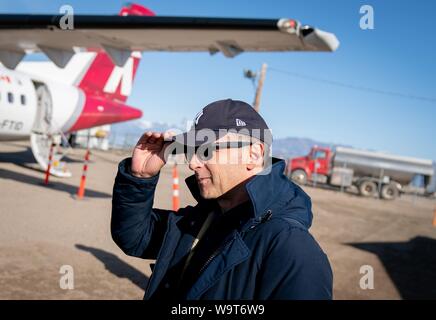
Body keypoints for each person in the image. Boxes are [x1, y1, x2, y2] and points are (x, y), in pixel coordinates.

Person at [111, 99, 333, 300]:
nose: (193, 163)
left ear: (254, 154)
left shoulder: (291, 248)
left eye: (206, 151)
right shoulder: (201, 219)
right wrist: (139, 178)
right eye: (192, 151)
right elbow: (136, 238)